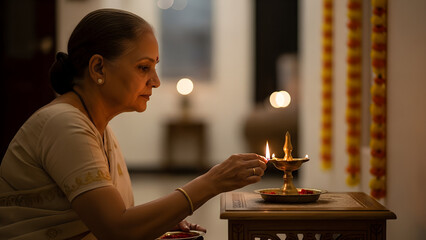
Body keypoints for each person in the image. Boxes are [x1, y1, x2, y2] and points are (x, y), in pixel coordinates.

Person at [0, 8, 267, 240]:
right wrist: (211, 182)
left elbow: (118, 221)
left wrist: (159, 220)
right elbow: (117, 231)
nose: (155, 81)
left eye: (155, 67)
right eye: (143, 67)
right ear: (98, 69)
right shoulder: (63, 124)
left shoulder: (97, 127)